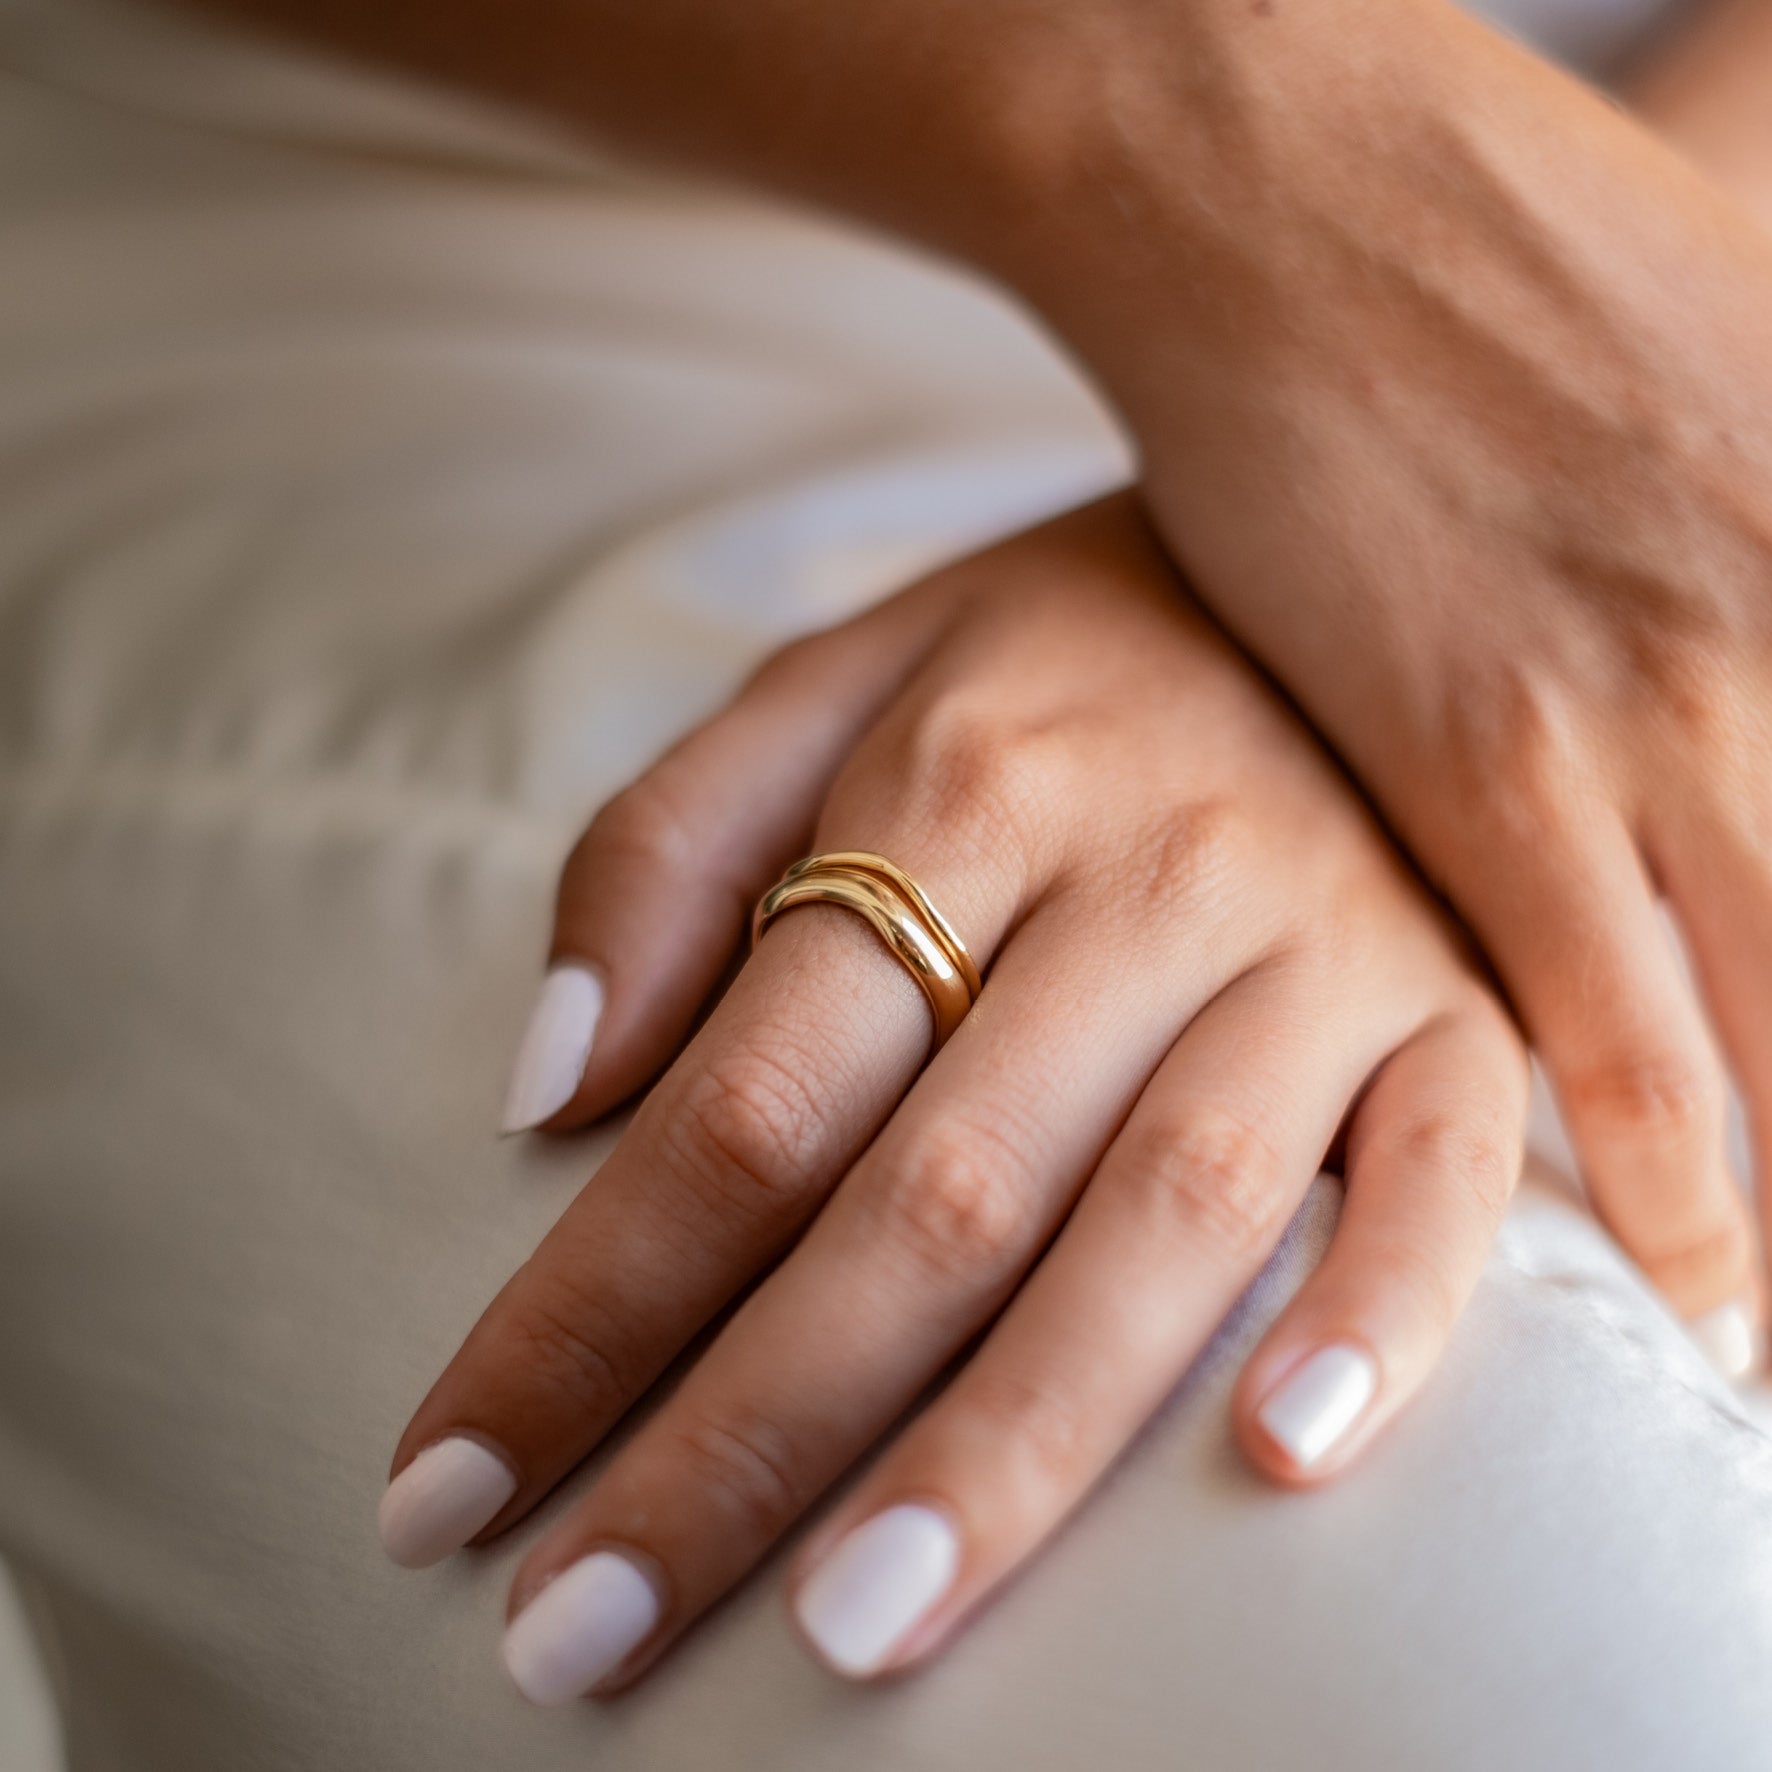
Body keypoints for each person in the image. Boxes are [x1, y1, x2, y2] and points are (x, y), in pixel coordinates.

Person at [3, 0, 1772, 1765]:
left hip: (1606, 282)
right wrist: (1218, 136)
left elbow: (1549, 350)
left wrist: (1529, 436)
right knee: (1522, 1627)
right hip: (414, 295)